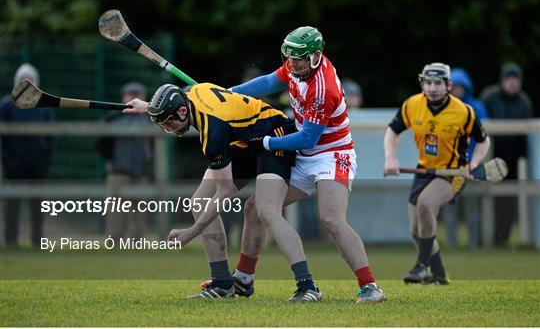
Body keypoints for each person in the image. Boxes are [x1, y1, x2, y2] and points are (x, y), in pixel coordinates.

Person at [125, 82, 323, 301]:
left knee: (266, 209)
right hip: (243, 141)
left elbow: (226, 191)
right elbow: (179, 94)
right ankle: (222, 284)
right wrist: (148, 107)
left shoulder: (213, 130)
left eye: (168, 122)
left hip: (273, 134)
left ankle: (308, 286)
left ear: (182, 111)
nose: (168, 128)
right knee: (199, 201)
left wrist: (191, 232)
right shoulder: (191, 92)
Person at [228, 26, 385, 303]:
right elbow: (266, 83)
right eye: (288, 57)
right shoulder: (296, 65)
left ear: (315, 56)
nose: (291, 64)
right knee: (255, 207)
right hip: (304, 154)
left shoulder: (323, 87)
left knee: (332, 219)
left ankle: (370, 286)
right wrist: (228, 93)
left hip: (332, 154)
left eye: (297, 59)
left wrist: (264, 143)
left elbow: (308, 138)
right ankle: (242, 279)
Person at [384, 63, 490, 285]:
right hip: (424, 170)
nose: (432, 87)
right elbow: (392, 131)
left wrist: (474, 163)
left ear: (448, 85)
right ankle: (439, 275)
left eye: (438, 83)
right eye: (428, 82)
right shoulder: (412, 105)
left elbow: (483, 140)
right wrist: (390, 158)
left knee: (425, 205)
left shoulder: (463, 112)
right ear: (422, 83)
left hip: (453, 173)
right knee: (415, 229)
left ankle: (421, 266)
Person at [480, 63, 534, 246]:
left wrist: (524, 156)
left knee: (509, 202)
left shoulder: (524, 102)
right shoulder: (489, 97)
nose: (512, 83)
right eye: (509, 79)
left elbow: (525, 133)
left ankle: (501, 239)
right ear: (502, 80)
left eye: (516, 79)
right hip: (490, 156)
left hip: (513, 159)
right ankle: (483, 238)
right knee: (488, 198)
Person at [0, 63, 53, 246]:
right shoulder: (7, 105)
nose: (27, 83)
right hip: (13, 163)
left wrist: (43, 154)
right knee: (12, 203)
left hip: (36, 163)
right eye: (24, 80)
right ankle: (10, 240)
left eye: (30, 80)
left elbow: (50, 136)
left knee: (37, 203)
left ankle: (37, 240)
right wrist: (7, 158)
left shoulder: (44, 107)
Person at [96, 82, 153, 241]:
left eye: (137, 94)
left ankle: (137, 244)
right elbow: (102, 142)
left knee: (139, 214)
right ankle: (115, 243)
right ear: (123, 97)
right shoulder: (112, 118)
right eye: (130, 94)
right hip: (118, 172)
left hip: (141, 172)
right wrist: (112, 159)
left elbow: (154, 145)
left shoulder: (150, 119)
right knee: (115, 213)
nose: (133, 97)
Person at [443, 68, 488, 248]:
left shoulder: (476, 107)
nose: (457, 91)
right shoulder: (442, 107)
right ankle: (452, 243)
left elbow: (484, 136)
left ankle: (474, 243)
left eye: (461, 87)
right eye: (454, 87)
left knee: (473, 205)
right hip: (449, 165)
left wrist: (473, 161)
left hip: (472, 164)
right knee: (450, 204)